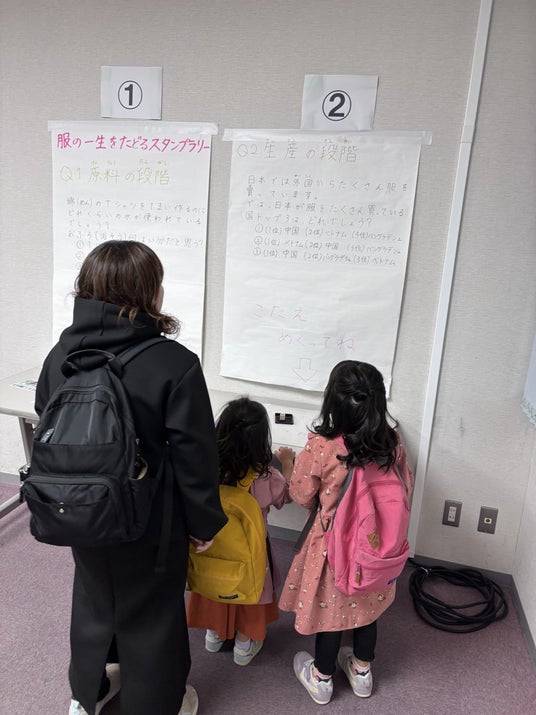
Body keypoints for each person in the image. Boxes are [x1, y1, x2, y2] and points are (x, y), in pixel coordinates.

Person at [34, 240, 228, 715]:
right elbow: (195, 455)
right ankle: (156, 703)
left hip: (79, 508)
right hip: (151, 518)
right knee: (153, 608)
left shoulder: (60, 354)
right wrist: (203, 523)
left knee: (95, 594)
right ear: (149, 292)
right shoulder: (174, 363)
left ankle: (89, 691)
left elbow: (46, 418)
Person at [279, 360, 414, 705]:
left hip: (333, 548)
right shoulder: (393, 443)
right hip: (379, 547)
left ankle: (322, 678)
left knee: (331, 612)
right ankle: (361, 671)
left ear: (333, 401)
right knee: (367, 608)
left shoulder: (323, 447)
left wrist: (288, 465)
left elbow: (301, 495)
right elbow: (406, 486)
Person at [187, 397, 295, 666]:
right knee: (251, 593)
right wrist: (287, 463)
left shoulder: (205, 469)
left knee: (214, 583)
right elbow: (287, 496)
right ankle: (244, 646)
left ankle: (214, 635)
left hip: (210, 548)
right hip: (251, 553)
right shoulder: (265, 477)